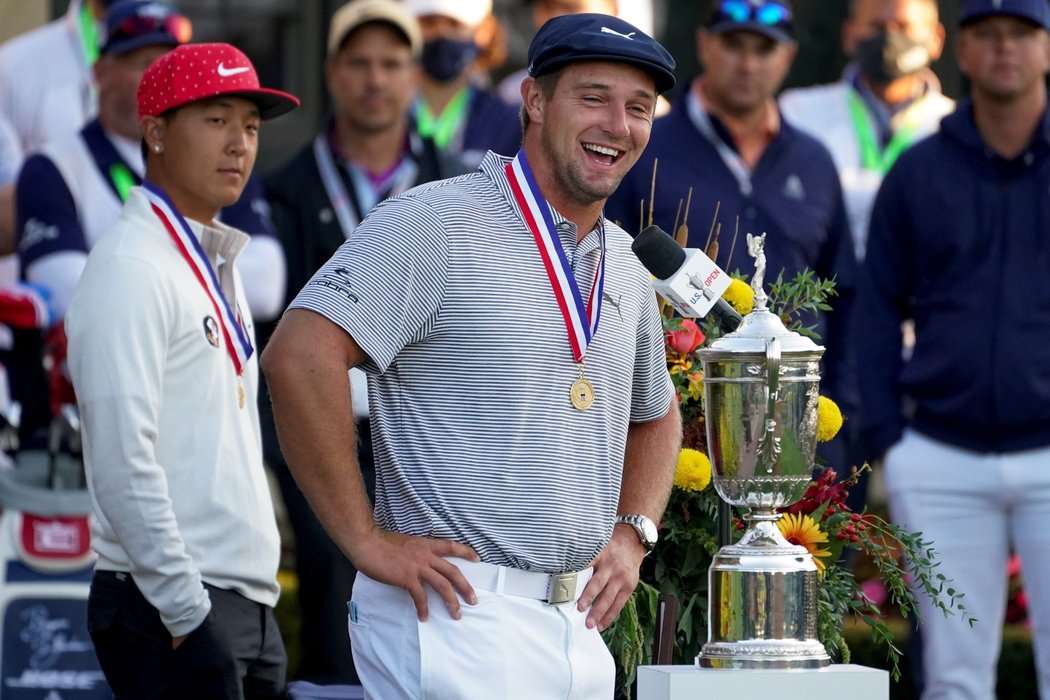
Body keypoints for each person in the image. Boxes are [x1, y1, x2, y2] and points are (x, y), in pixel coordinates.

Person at [261, 12, 681, 698]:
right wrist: (363, 540)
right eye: (594, 97)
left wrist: (633, 534)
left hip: (576, 624)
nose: (618, 124)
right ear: (534, 100)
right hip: (455, 611)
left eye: (639, 108)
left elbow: (656, 415)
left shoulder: (628, 265)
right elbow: (297, 356)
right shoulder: (431, 221)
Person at [64, 42, 299, 698]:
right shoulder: (131, 267)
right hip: (173, 603)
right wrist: (186, 611)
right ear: (155, 131)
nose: (240, 144)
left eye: (250, 127)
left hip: (236, 601)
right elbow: (120, 461)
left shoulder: (209, 263)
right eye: (216, 119)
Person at [260, 0, 469, 686]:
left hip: (437, 440)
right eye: (358, 63)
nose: (374, 79)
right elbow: (278, 334)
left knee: (447, 604)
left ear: (414, 75)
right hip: (329, 434)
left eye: (390, 63)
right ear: (331, 73)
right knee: (333, 600)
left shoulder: (464, 186)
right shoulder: (283, 187)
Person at [854, 1, 1050, 698]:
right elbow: (876, 306)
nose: (1004, 49)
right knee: (953, 681)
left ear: (1046, 47)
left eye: (1022, 34)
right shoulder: (920, 170)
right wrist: (887, 437)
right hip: (938, 451)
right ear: (960, 52)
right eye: (987, 35)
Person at [607, 0, 855, 456]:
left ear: (789, 56)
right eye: (733, 44)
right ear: (703, 45)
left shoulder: (814, 161)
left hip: (797, 423)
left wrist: (848, 424)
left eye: (765, 49)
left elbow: (845, 295)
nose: (748, 62)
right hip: (678, 421)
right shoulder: (645, 147)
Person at [780, 0, 953, 261]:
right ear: (849, 36)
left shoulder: (956, 126)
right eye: (876, 26)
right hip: (823, 290)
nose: (889, 37)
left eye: (903, 26)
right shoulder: (797, 114)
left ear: (936, 38)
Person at [405, 0, 522, 167]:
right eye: (428, 22)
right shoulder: (383, 112)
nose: (441, 34)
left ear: (485, 30)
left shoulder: (509, 123)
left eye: (455, 24)